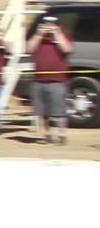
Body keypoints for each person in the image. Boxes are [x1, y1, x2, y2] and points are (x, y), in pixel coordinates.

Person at [30, 14, 73, 144]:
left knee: (59, 111)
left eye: (52, 25)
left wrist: (57, 33)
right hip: (39, 80)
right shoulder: (39, 39)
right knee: (42, 112)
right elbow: (29, 49)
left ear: (59, 26)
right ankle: (46, 135)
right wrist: (39, 34)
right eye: (46, 24)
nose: (48, 27)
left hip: (58, 80)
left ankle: (61, 135)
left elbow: (67, 49)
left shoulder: (64, 37)